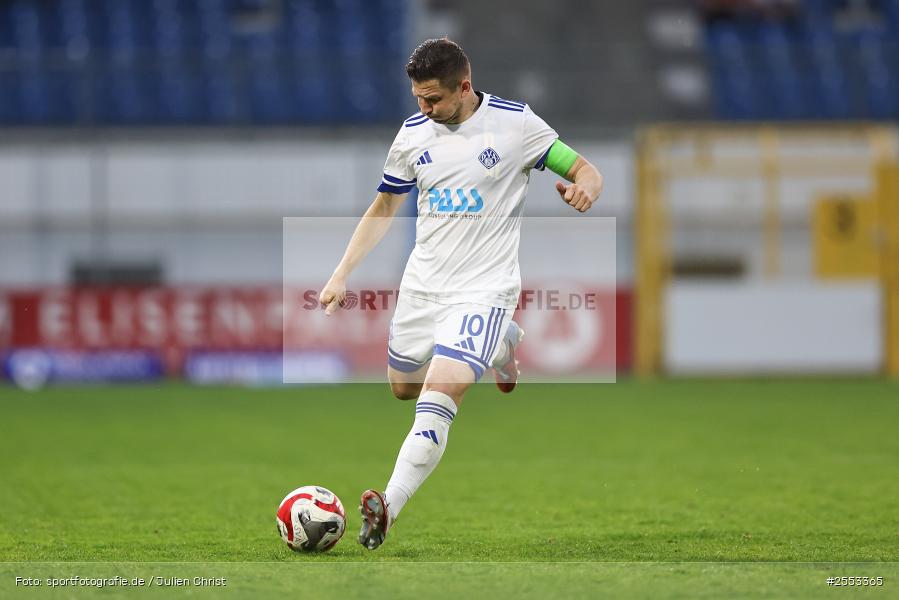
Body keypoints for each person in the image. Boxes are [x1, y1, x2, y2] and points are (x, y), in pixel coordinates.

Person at [318, 38, 603, 550]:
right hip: (424, 285)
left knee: (439, 392)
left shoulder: (515, 125)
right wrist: (341, 274)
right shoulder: (411, 135)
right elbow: (384, 208)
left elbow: (585, 169)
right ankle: (502, 345)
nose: (423, 109)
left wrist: (585, 188)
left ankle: (388, 505)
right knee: (403, 388)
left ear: (464, 87)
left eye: (433, 99)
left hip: (485, 288)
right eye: (417, 99)